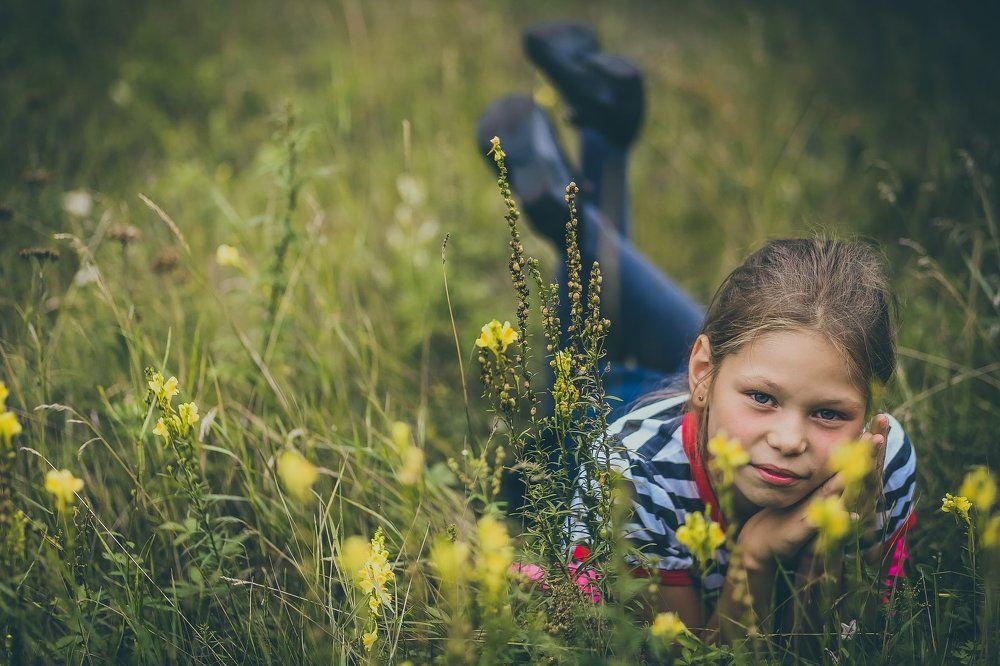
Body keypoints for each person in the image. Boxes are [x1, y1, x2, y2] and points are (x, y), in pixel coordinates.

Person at [476, 22, 917, 642]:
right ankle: (570, 213)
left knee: (741, 344)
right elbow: (685, 657)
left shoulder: (879, 461)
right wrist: (752, 559)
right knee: (590, 353)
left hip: (706, 405)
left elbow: (839, 639)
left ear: (869, 410)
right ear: (702, 373)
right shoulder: (629, 474)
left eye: (828, 414)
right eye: (764, 400)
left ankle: (594, 149)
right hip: (608, 417)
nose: (789, 439)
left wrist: (816, 547)